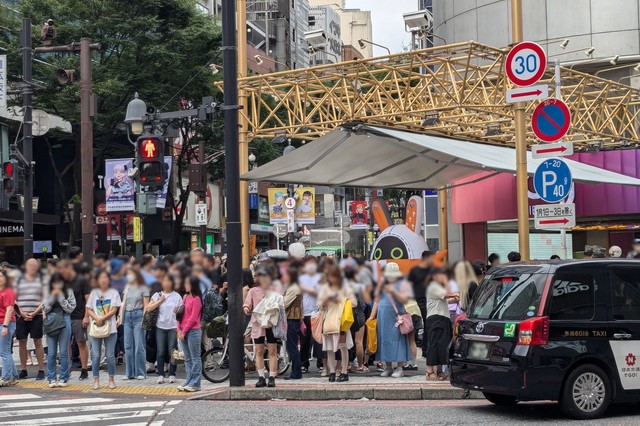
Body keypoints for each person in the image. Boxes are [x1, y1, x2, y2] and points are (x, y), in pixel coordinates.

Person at [370, 262, 413, 378]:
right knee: (384, 339)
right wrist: (372, 315)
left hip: (396, 316)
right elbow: (377, 300)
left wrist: (393, 291)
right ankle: (387, 366)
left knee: (398, 340)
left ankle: (400, 367)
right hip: (383, 317)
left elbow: (404, 299)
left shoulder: (402, 284)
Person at [243, 267, 281, 388]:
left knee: (272, 351)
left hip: (271, 323)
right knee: (259, 351)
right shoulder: (253, 291)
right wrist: (246, 308)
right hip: (258, 323)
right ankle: (261, 377)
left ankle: (272, 377)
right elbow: (247, 304)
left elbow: (280, 304)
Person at [318, 265, 355, 382]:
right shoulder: (325, 288)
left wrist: (341, 300)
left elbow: (354, 303)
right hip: (328, 320)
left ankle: (344, 371)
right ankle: (332, 372)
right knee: (329, 348)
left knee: (343, 347)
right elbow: (319, 305)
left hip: (341, 321)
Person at [86, 271, 122, 390]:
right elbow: (89, 309)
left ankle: (111, 379)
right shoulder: (94, 292)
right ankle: (95, 379)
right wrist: (97, 318)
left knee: (110, 355)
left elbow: (114, 310)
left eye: (105, 277)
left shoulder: (114, 292)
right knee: (95, 355)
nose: (103, 280)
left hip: (110, 328)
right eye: (101, 277)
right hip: (96, 327)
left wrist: (102, 318)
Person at [15, 258, 47, 380]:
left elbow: (45, 299)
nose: (32, 267)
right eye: (30, 265)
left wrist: (34, 312)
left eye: (35, 265)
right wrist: (21, 313)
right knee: (22, 342)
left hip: (37, 315)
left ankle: (41, 370)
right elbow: (14, 298)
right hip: (21, 316)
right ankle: (23, 369)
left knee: (38, 341)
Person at [147, 274, 182, 384]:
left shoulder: (177, 296)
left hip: (173, 326)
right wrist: (159, 301)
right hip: (160, 327)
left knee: (172, 351)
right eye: (164, 281)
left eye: (168, 281)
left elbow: (181, 312)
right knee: (161, 351)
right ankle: (161, 374)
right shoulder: (157, 295)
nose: (166, 283)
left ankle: (172, 374)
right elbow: (148, 308)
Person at [59, 260, 91, 380]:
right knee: (66, 344)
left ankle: (84, 369)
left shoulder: (82, 280)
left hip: (79, 316)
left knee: (81, 342)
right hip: (65, 315)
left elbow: (88, 299)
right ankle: (68, 369)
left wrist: (86, 315)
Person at [43, 273, 76, 387]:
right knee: (51, 352)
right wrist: (52, 297)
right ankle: (51, 378)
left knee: (64, 352)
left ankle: (64, 377)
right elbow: (45, 308)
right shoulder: (48, 291)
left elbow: (71, 308)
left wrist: (61, 298)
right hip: (51, 319)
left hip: (65, 318)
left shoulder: (68, 291)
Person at [425, 267, 458, 381]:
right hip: (435, 318)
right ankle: (429, 372)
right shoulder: (433, 286)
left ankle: (439, 371)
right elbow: (446, 295)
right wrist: (454, 294)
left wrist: (456, 298)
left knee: (443, 345)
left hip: (443, 317)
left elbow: (446, 299)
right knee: (434, 344)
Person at [118, 269, 149, 380]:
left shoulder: (143, 287)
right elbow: (123, 303)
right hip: (126, 316)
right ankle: (129, 373)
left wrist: (143, 319)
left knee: (139, 346)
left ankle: (140, 372)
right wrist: (119, 316)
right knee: (128, 345)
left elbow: (146, 305)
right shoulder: (126, 287)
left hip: (138, 315)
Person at [177, 276, 203, 392]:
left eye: (187, 283)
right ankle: (188, 380)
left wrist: (183, 330)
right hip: (183, 330)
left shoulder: (197, 299)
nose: (185, 285)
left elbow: (193, 318)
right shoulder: (185, 297)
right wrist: (178, 329)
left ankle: (195, 383)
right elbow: (180, 314)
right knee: (187, 358)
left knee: (195, 358)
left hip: (193, 331)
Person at [407, 251, 433, 357]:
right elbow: (409, 285)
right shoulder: (415, 270)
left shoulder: (432, 271)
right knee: (416, 325)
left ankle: (426, 349)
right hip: (417, 301)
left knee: (428, 324)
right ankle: (420, 346)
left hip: (430, 300)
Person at [299, 257, 322, 373]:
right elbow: (298, 296)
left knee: (318, 340)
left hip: (317, 312)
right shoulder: (300, 279)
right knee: (304, 341)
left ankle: (321, 363)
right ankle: (304, 363)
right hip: (304, 313)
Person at [282, 267, 303, 380]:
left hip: (292, 319)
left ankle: (296, 373)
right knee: (292, 346)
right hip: (294, 319)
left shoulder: (293, 288)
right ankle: (296, 372)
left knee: (292, 347)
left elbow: (284, 303)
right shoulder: (295, 287)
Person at [0, 271, 18, 387]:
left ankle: (6, 377)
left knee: (4, 351)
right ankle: (14, 375)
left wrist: (5, 326)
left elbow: (10, 309)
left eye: (1, 276)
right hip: (2, 323)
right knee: (5, 351)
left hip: (6, 323)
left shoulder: (8, 291)